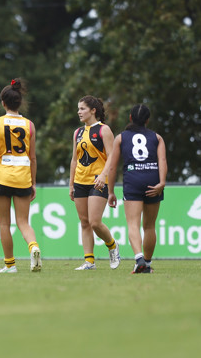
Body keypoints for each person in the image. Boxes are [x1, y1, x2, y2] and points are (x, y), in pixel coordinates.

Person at [0, 79, 41, 273]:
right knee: (23, 222)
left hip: (2, 177)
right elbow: (32, 157)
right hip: (23, 176)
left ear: (3, 103)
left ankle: (10, 265)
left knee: (4, 223)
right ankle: (33, 246)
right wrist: (33, 183)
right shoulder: (29, 125)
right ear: (19, 102)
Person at [108, 104, 167, 273]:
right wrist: (162, 183)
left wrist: (111, 191)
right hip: (152, 181)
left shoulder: (120, 138)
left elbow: (112, 167)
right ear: (147, 120)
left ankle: (139, 258)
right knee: (149, 226)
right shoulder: (157, 137)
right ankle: (147, 264)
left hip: (133, 181)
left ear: (130, 118)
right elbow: (162, 161)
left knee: (133, 224)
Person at [69, 95, 120, 270]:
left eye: (82, 108)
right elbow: (74, 160)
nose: (79, 112)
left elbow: (112, 156)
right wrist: (71, 184)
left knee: (95, 222)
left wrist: (103, 175)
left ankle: (112, 245)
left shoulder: (104, 130)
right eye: (78, 108)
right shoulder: (77, 132)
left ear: (93, 111)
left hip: (98, 182)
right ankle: (89, 261)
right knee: (84, 222)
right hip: (80, 181)